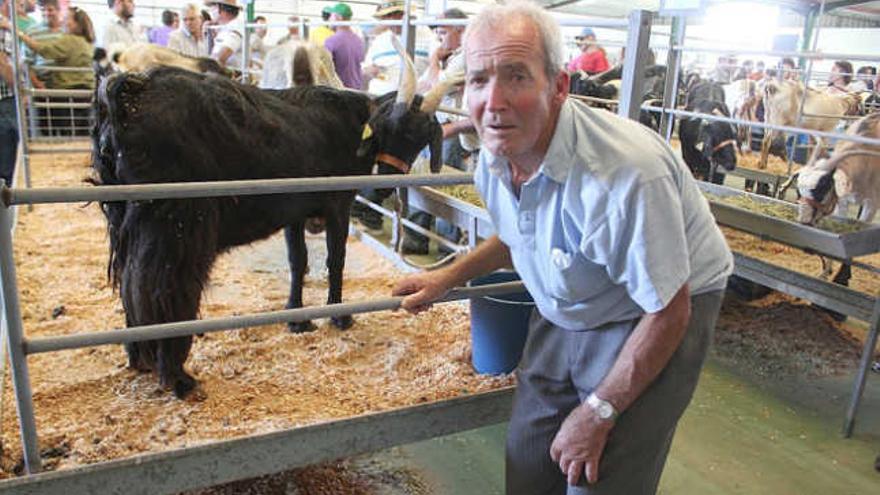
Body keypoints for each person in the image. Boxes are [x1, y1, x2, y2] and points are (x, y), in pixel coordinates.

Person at [392, 3, 733, 494]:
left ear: (559, 86)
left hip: (657, 304)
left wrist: (599, 411)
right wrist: (447, 276)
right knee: (530, 456)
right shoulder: (495, 156)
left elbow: (669, 310)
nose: (494, 101)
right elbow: (520, 233)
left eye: (516, 77)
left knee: (597, 472)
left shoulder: (623, 178)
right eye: (478, 79)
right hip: (574, 290)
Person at [401, 7, 474, 254]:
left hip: (449, 129)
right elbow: (423, 86)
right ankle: (417, 238)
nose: (439, 39)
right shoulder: (452, 57)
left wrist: (433, 61)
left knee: (445, 186)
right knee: (423, 179)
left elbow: (436, 84)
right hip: (437, 124)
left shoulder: (467, 56)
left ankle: (446, 246)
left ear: (460, 29)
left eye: (443, 33)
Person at [361, 0, 431, 96]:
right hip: (378, 97)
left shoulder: (427, 37)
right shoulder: (380, 39)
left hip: (412, 100)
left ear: (405, 14)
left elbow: (435, 70)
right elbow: (366, 67)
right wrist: (370, 70)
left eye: (393, 15)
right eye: (385, 17)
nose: (389, 21)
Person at [0, 0, 19, 187]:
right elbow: (2, 62)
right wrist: (19, 91)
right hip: (5, 99)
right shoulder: (2, 25)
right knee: (9, 162)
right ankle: (6, 212)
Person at [24, 0, 63, 90]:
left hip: (64, 82)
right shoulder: (32, 32)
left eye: (50, 10)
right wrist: (37, 83)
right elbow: (26, 62)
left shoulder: (67, 31)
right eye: (42, 10)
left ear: (58, 10)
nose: (46, 13)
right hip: (41, 82)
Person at [324, 2, 363, 90]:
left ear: (339, 18)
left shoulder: (331, 41)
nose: (329, 19)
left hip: (339, 92)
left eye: (331, 16)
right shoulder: (358, 40)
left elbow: (324, 69)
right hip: (357, 89)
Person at [205, 0, 242, 69]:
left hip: (232, 76)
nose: (211, 11)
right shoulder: (225, 28)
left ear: (219, 8)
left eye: (213, 6)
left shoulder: (235, 26)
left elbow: (220, 57)